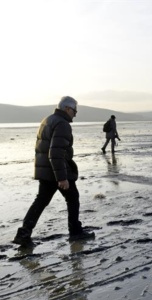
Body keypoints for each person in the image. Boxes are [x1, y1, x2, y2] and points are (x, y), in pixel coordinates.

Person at [13, 96, 95, 246]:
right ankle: (75, 233)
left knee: (41, 201)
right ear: (66, 109)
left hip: (45, 170)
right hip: (56, 170)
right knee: (72, 198)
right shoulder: (62, 124)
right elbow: (56, 152)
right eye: (74, 110)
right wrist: (62, 177)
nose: (75, 114)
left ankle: (23, 233)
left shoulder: (47, 120)